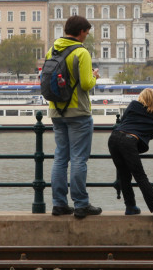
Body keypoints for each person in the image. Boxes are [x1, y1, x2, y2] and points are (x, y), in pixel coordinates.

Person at [47, 15, 101, 219]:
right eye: (86, 33)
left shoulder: (51, 50)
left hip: (56, 111)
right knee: (79, 158)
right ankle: (81, 204)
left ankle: (59, 204)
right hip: (78, 111)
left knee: (60, 157)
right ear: (80, 32)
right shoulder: (81, 52)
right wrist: (95, 76)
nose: (86, 36)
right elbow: (86, 84)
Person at [108, 88, 153, 222]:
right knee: (140, 177)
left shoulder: (133, 105)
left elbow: (123, 120)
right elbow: (149, 137)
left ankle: (130, 206)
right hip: (129, 142)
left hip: (113, 139)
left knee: (124, 175)